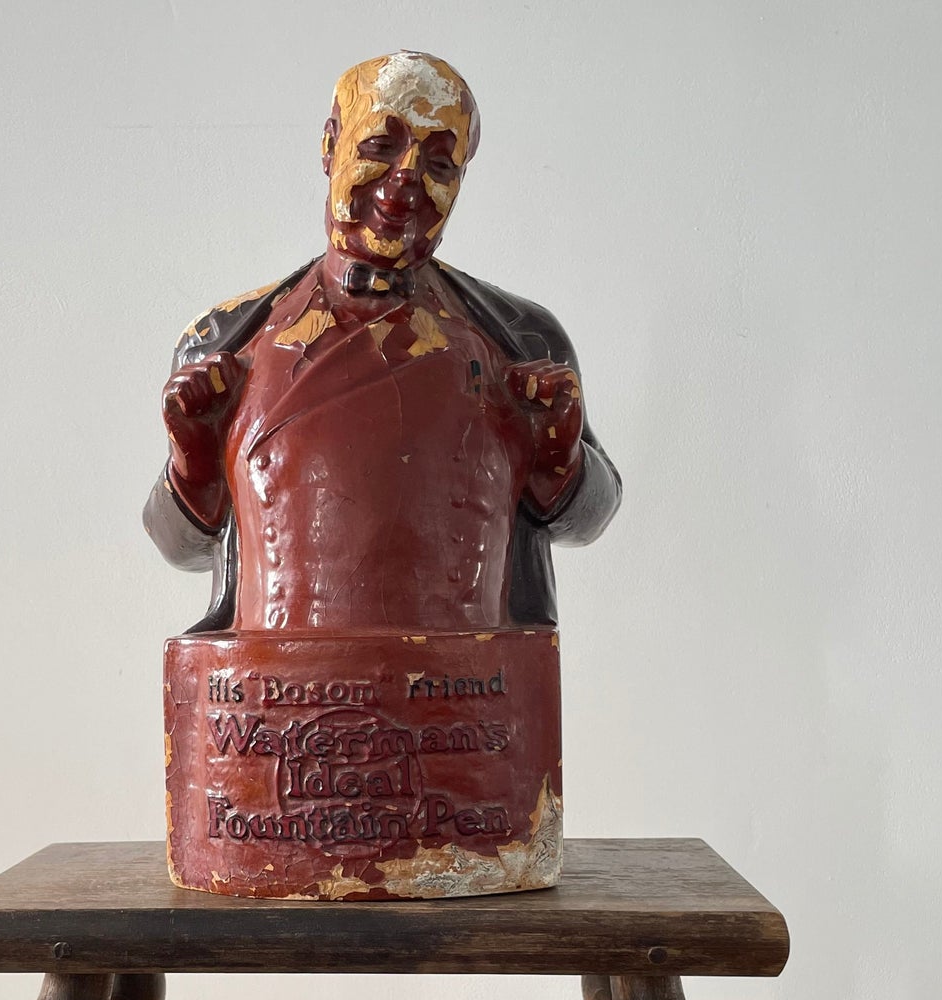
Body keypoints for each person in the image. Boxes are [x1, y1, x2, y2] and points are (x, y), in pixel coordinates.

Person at [144, 50, 621, 633]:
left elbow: (589, 518)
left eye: (440, 163)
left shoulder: (522, 338)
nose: (405, 180)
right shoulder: (225, 339)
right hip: (275, 681)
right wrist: (192, 463)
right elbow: (179, 545)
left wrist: (559, 453)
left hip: (467, 679)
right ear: (330, 145)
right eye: (379, 146)